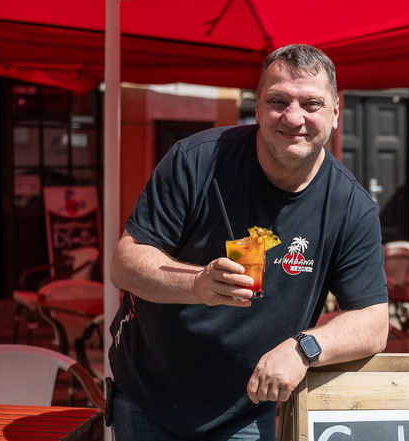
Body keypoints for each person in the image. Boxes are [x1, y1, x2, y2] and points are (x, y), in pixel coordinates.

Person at [108, 44, 390, 440]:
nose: (293, 117)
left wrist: (303, 349)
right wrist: (198, 284)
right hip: (150, 394)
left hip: (246, 408)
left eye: (311, 103)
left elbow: (374, 321)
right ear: (256, 107)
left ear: (335, 113)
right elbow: (125, 262)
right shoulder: (196, 159)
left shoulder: (350, 206)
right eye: (277, 101)